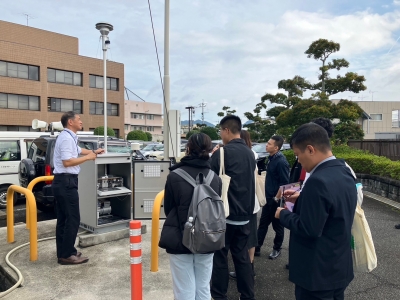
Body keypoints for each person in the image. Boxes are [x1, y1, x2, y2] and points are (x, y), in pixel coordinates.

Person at [276, 123, 357, 300]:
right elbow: (333, 207)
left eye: (298, 155)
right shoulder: (344, 171)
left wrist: (282, 214)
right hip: (338, 265)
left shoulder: (317, 181)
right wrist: (302, 197)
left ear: (310, 149)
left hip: (317, 271)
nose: (298, 161)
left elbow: (309, 228)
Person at [158, 133, 222, 300]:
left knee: (183, 289)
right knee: (203, 287)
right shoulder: (215, 178)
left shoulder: (174, 176)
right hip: (207, 237)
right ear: (209, 149)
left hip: (179, 237)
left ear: (188, 148)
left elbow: (169, 208)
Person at [210, 115, 256, 300]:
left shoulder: (221, 153)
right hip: (245, 214)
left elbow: (210, 180)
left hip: (225, 215)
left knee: (220, 257)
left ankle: (220, 296)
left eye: (221, 131)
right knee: (242, 256)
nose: (221, 135)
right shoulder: (249, 153)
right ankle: (247, 295)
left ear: (227, 130)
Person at [52, 111, 104, 265]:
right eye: (79, 119)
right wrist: (88, 158)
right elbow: (67, 162)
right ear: (70, 122)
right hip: (66, 183)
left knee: (64, 219)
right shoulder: (67, 139)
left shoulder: (68, 137)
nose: (81, 121)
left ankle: (64, 251)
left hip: (62, 182)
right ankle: (67, 254)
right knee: (73, 219)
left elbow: (79, 151)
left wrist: (93, 152)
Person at [229, 130, 260, 279]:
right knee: (250, 238)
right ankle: (249, 269)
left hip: (242, 204)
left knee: (243, 240)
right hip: (251, 204)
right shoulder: (252, 154)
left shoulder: (246, 154)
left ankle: (246, 270)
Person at [255, 135, 289, 259]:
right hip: (268, 198)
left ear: (276, 147)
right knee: (263, 224)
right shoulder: (271, 158)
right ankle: (257, 247)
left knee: (277, 226)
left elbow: (285, 183)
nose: (266, 145)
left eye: (269, 144)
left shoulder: (281, 161)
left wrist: (276, 198)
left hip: (275, 200)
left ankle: (277, 248)